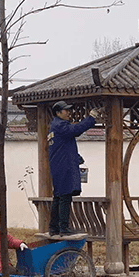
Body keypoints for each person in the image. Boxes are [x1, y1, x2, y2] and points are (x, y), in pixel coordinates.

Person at [48, 101, 101, 237]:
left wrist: (75, 157)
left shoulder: (54, 127)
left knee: (58, 196)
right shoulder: (60, 125)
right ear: (58, 113)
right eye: (65, 111)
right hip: (64, 166)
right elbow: (76, 130)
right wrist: (91, 118)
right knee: (65, 196)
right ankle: (63, 228)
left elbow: (62, 147)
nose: (68, 113)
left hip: (59, 165)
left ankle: (54, 227)